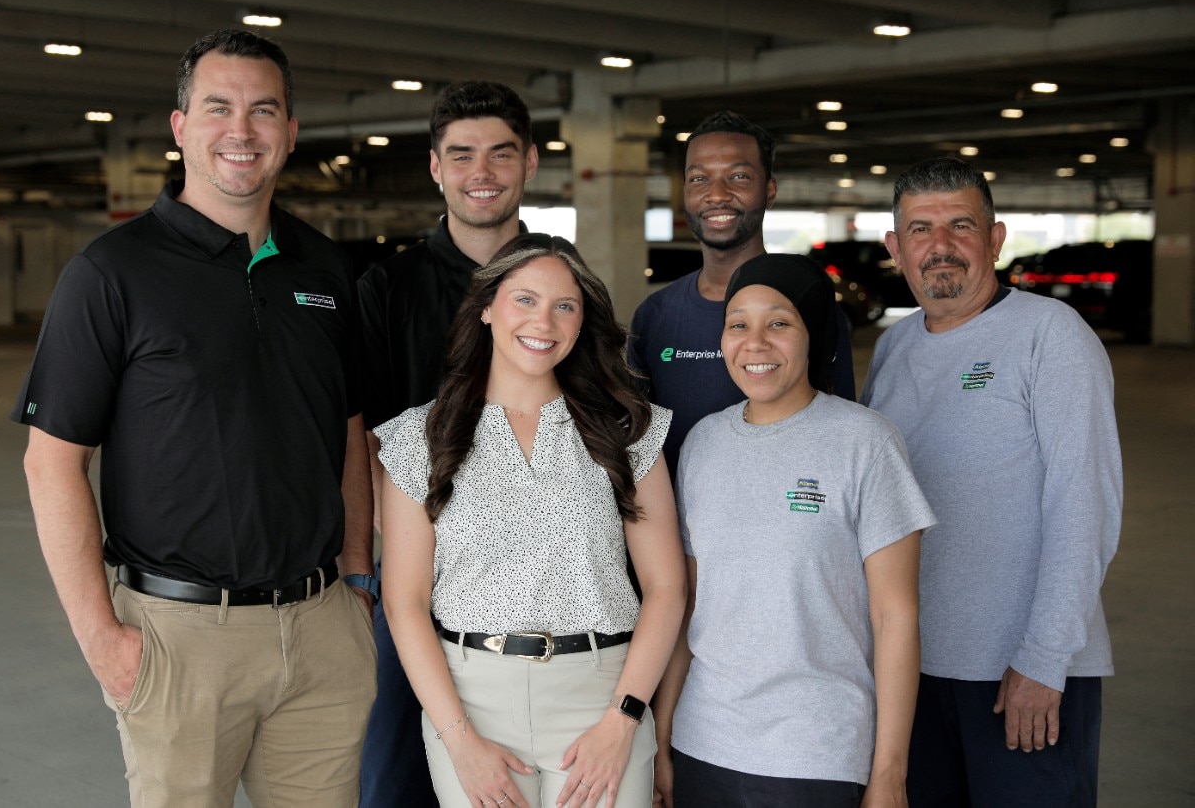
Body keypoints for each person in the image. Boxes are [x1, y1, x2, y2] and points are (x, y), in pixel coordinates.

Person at [12, 29, 378, 807]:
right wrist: (101, 638)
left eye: (263, 110)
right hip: (180, 637)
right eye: (218, 108)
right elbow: (50, 463)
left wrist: (355, 574)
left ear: (290, 132)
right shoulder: (112, 273)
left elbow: (348, 430)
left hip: (321, 633)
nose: (240, 131)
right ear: (180, 127)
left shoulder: (325, 270)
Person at [376, 234, 687, 808]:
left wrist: (622, 722)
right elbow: (403, 602)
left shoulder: (625, 430)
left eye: (564, 305)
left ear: (581, 319)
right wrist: (460, 741)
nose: (543, 320)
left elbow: (667, 589)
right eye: (524, 299)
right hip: (470, 702)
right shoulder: (420, 437)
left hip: (603, 693)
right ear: (487, 308)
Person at [861, 157, 1122, 807]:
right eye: (920, 229)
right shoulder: (894, 349)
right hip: (915, 672)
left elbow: (1084, 506)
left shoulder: (1050, 336)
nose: (939, 246)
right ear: (896, 247)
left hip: (1023, 673)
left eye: (960, 225)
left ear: (996, 238)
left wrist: (1044, 655)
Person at [652, 254, 933, 808]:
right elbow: (689, 609)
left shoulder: (865, 443)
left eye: (778, 323)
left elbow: (895, 618)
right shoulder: (703, 444)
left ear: (813, 334)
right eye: (738, 324)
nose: (754, 343)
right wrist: (660, 740)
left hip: (816, 752)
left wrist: (890, 775)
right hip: (703, 742)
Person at [356, 81, 537, 806]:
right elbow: (364, 435)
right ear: (436, 168)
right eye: (461, 155)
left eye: (499, 153)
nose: (481, 172)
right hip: (417, 582)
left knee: (522, 779)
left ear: (528, 162)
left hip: (536, 579)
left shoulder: (561, 282)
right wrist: (387, 557)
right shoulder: (388, 287)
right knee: (398, 778)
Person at [628, 110, 856, 477]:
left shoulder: (810, 308)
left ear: (769, 189)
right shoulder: (655, 315)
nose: (716, 194)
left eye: (738, 176)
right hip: (678, 528)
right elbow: (639, 450)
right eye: (699, 178)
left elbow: (842, 433)